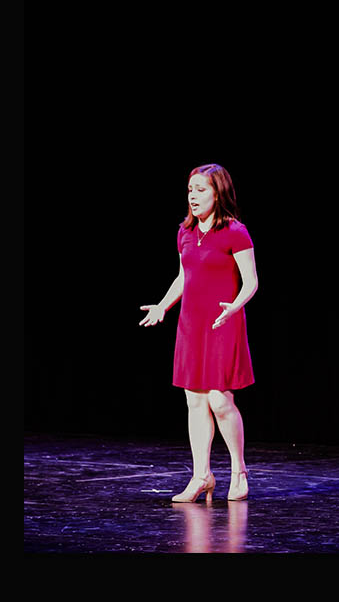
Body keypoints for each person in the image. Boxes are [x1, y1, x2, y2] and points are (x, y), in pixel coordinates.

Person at [139, 163, 258, 502]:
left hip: (223, 321)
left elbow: (251, 281)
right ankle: (202, 476)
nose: (193, 196)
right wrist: (163, 305)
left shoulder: (236, 232)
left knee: (220, 399)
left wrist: (235, 306)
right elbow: (183, 276)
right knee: (194, 400)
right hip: (191, 324)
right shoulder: (185, 232)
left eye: (200, 190)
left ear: (218, 193)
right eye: (190, 190)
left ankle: (239, 471)